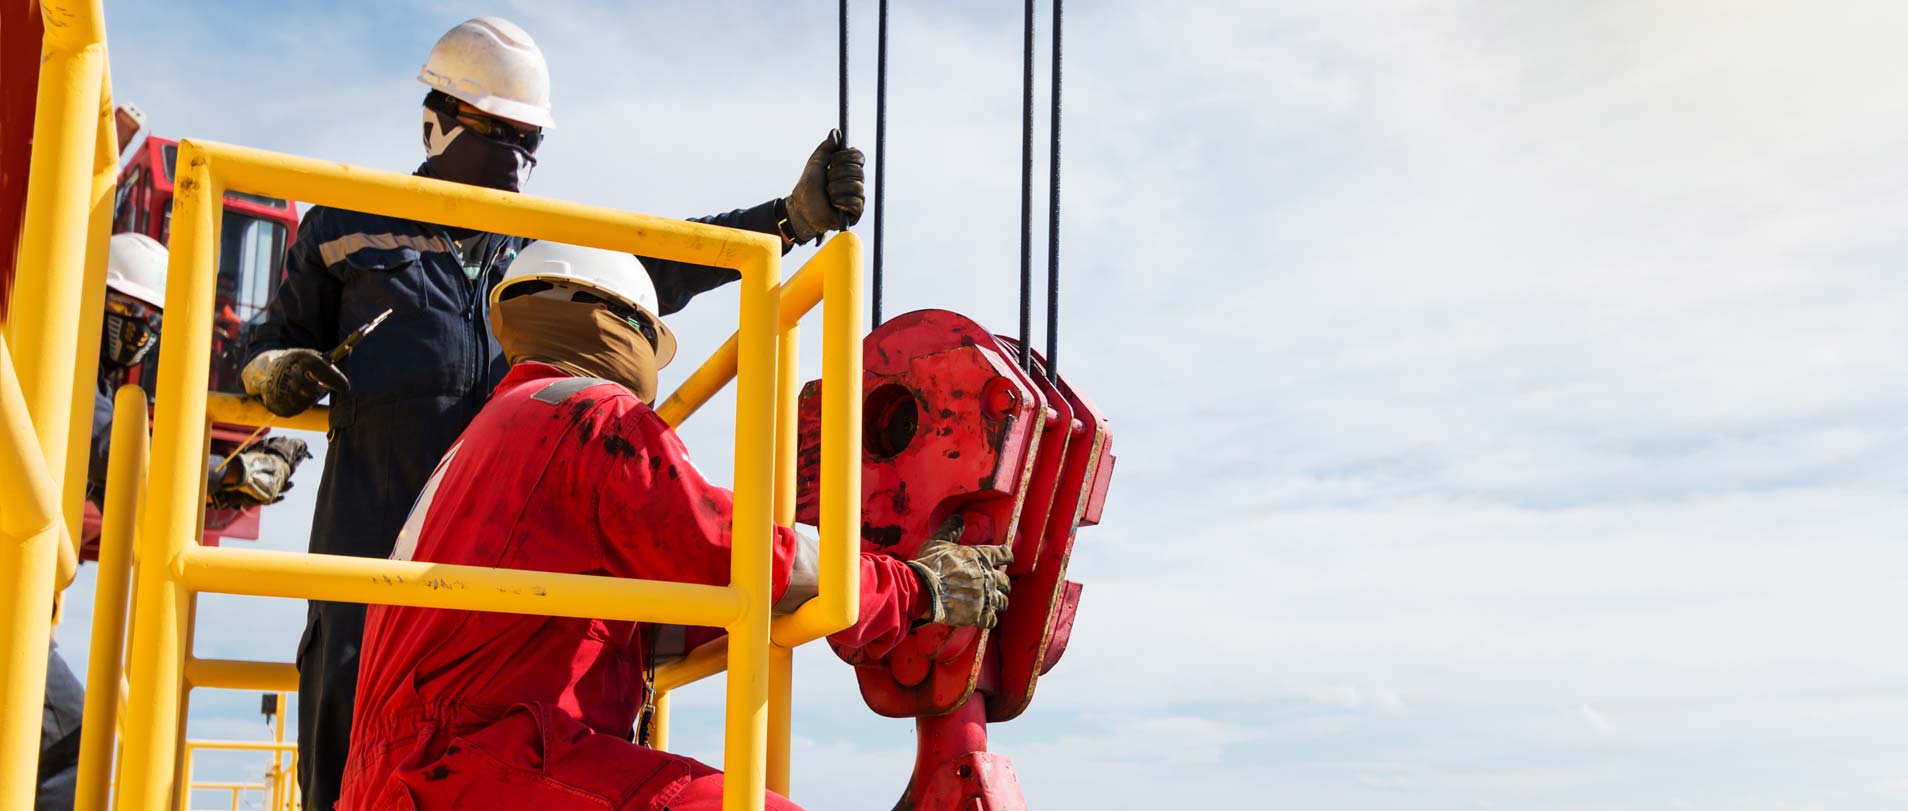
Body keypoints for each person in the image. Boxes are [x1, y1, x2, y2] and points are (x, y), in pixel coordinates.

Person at [237, 17, 867, 809]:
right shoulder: (346, 227)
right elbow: (264, 345)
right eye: (502, 133)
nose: (519, 158)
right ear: (437, 120)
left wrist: (787, 219)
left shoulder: (544, 250)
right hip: (369, 575)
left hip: (514, 615)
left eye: (530, 139)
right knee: (346, 785)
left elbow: (657, 264)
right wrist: (276, 372)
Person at [335, 243, 1010, 811]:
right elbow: (721, 544)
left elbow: (641, 616)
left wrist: (788, 611)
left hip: (408, 771)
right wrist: (911, 587)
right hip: (477, 761)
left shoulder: (488, 437)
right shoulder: (589, 413)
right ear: (629, 331)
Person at [34, 233, 310, 811]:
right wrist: (222, 475)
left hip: (29, 607)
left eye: (150, 320)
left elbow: (127, 489)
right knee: (69, 747)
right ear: (91, 297)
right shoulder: (62, 363)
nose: (137, 331)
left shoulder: (93, 379)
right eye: (124, 312)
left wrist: (222, 479)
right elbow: (117, 452)